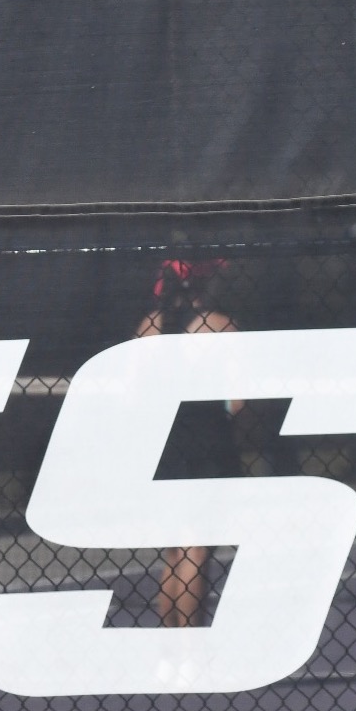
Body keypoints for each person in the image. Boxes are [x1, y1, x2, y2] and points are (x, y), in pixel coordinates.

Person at [137, 259, 240, 628]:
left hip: (163, 442)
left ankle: (170, 644)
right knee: (198, 547)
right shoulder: (220, 326)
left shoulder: (148, 327)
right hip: (207, 440)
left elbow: (137, 390)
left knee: (176, 550)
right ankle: (189, 644)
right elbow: (239, 400)